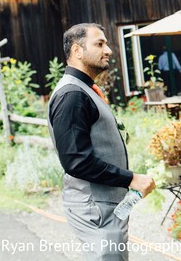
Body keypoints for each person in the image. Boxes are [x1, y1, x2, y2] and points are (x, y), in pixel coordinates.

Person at [48, 23, 155, 260]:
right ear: (77, 51)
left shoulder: (83, 90)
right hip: (95, 207)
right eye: (99, 44)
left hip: (103, 205)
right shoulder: (72, 95)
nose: (108, 50)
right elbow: (76, 161)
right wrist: (131, 178)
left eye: (106, 43)